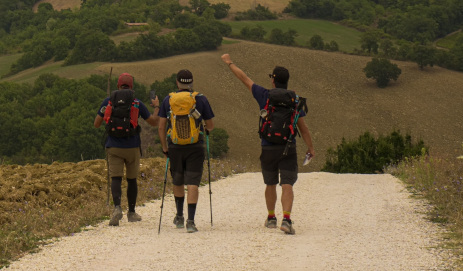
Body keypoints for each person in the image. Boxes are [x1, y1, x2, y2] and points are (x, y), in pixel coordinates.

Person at [221, 53, 315, 235]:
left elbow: (244, 78)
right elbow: (303, 129)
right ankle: (286, 219)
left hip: (268, 146)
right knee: (287, 184)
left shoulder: (264, 95)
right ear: (287, 81)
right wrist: (310, 148)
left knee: (270, 183)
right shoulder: (295, 100)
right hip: (288, 146)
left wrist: (229, 62)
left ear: (273, 80)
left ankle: (271, 217)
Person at [93, 72, 157, 226]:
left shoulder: (108, 101)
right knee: (131, 179)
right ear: (132, 86)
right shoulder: (137, 102)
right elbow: (153, 122)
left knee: (115, 177)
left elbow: (96, 123)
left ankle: (117, 208)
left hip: (113, 146)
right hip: (132, 146)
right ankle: (132, 212)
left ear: (118, 85)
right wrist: (156, 107)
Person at [157, 69, 215, 232]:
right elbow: (210, 126)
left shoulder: (168, 100)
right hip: (195, 146)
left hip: (174, 147)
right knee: (193, 183)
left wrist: (164, 147)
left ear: (177, 82)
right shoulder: (200, 99)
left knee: (178, 180)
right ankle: (191, 221)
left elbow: (161, 126)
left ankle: (180, 217)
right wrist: (203, 129)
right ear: (191, 83)